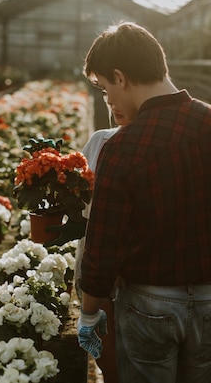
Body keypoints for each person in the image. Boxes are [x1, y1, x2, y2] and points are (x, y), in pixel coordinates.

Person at [76, 21, 211, 383]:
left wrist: (88, 313)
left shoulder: (124, 146)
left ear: (120, 76)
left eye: (104, 88)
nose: (108, 101)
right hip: (210, 302)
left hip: (148, 304)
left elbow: (103, 241)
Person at [74, 99, 130, 383]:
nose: (113, 105)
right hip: (97, 270)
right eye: (107, 98)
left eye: (115, 94)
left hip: (133, 275)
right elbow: (76, 193)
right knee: (111, 367)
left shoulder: (155, 149)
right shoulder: (99, 140)